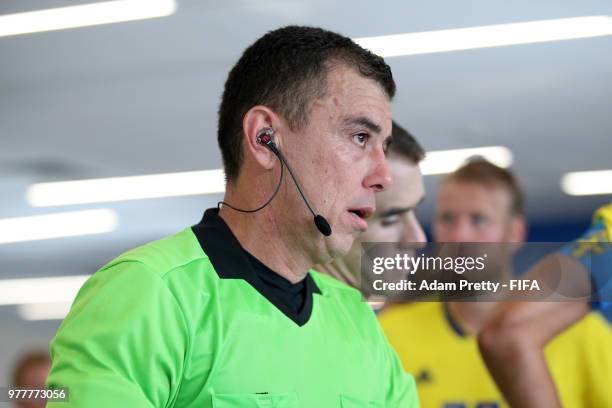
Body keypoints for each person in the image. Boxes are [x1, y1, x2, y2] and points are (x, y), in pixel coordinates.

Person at [45, 26, 420, 407]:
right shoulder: (150, 293)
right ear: (265, 139)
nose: (382, 175)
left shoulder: (355, 320)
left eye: (382, 147)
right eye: (359, 137)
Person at [378, 159, 611, 408]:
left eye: (478, 220)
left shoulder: (582, 331)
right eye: (447, 219)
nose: (459, 236)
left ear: (514, 234)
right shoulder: (389, 334)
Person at [318, 121, 426, 302]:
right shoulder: (298, 323)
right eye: (390, 219)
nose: (418, 239)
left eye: (414, 210)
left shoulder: (354, 318)